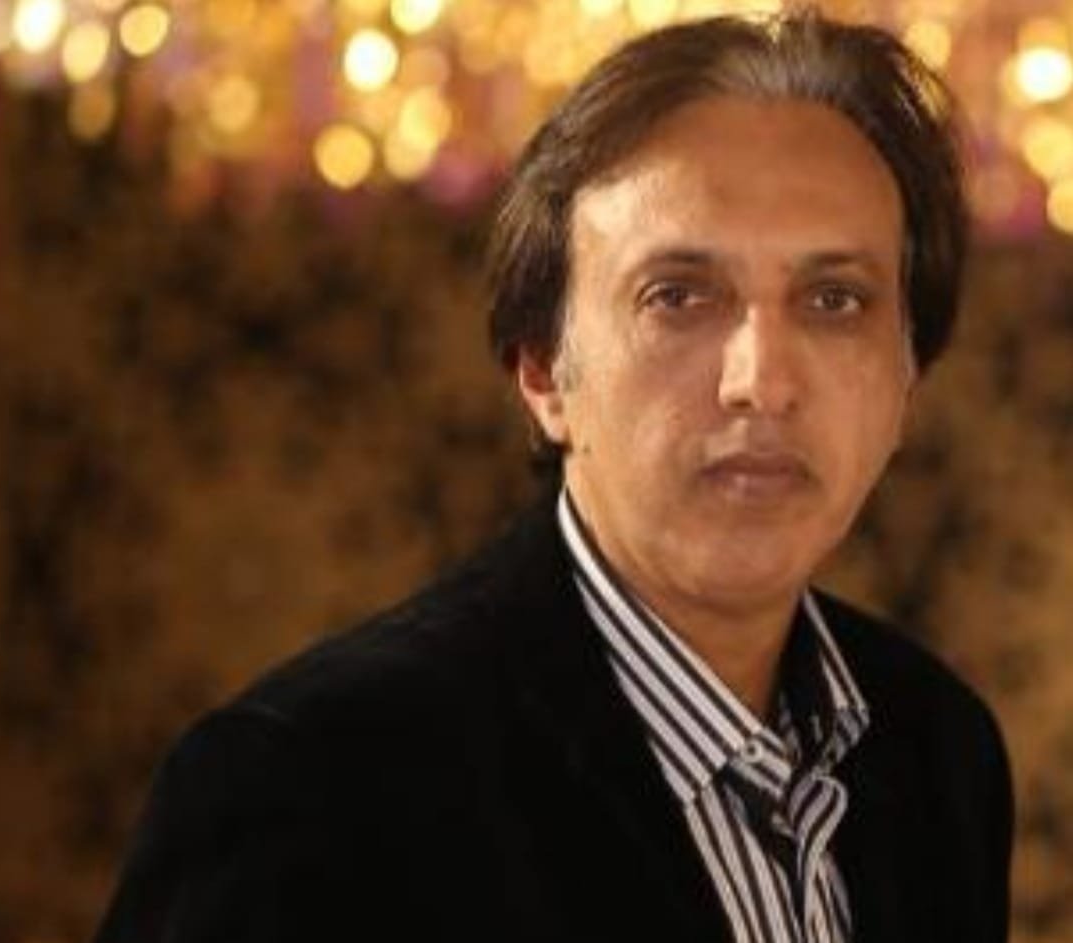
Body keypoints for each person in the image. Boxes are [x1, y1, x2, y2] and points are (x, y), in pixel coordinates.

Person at [94, 10, 1013, 943]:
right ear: (542, 371)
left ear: (907, 375)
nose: (761, 381)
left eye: (834, 299)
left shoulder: (939, 749)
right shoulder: (307, 786)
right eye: (678, 296)